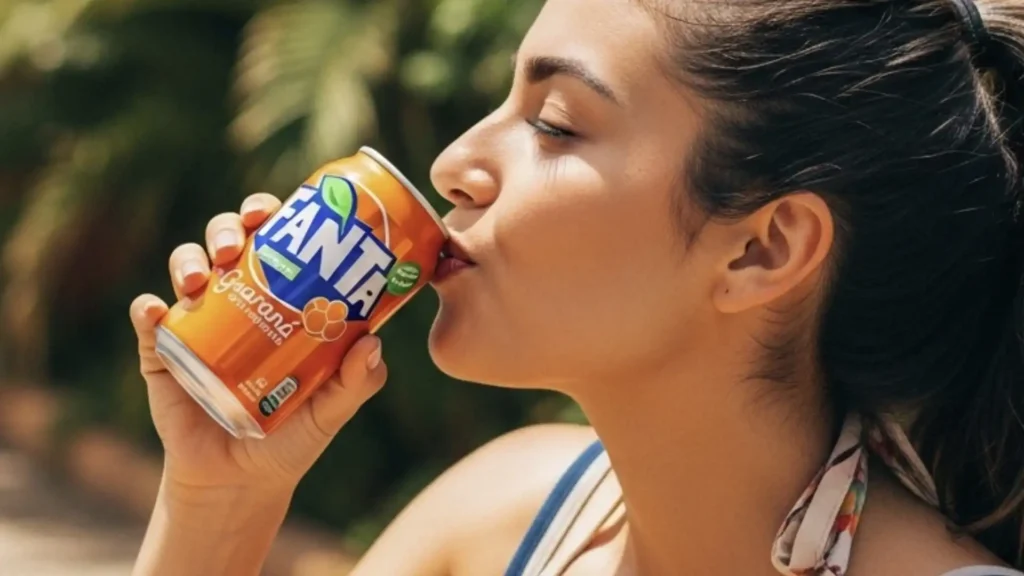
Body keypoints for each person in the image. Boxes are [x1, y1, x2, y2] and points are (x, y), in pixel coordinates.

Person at [128, 0, 1024, 574]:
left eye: (555, 125)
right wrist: (217, 506)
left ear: (763, 249)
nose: (454, 164)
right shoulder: (498, 521)